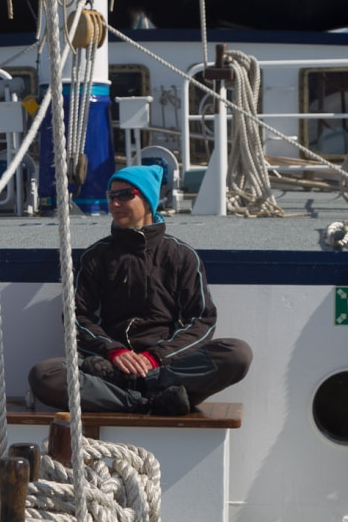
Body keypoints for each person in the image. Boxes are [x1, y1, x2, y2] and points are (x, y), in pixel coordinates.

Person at [28, 164, 251, 416]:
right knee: (44, 374)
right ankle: (147, 401)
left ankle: (144, 388)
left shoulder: (181, 256)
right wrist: (114, 351)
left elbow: (202, 321)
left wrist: (156, 358)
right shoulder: (95, 257)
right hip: (110, 369)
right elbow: (76, 318)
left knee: (236, 354)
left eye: (124, 195)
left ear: (147, 200)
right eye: (111, 196)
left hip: (164, 367)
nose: (115, 203)